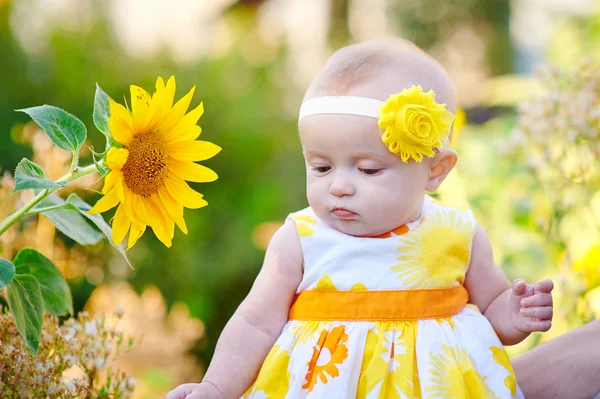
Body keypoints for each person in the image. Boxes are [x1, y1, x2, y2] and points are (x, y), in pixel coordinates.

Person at [167, 39, 558, 398]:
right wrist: (216, 387)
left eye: (368, 170)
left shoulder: (458, 235)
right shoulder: (301, 239)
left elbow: (493, 311)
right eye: (320, 168)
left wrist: (516, 312)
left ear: (435, 171)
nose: (339, 186)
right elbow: (255, 325)